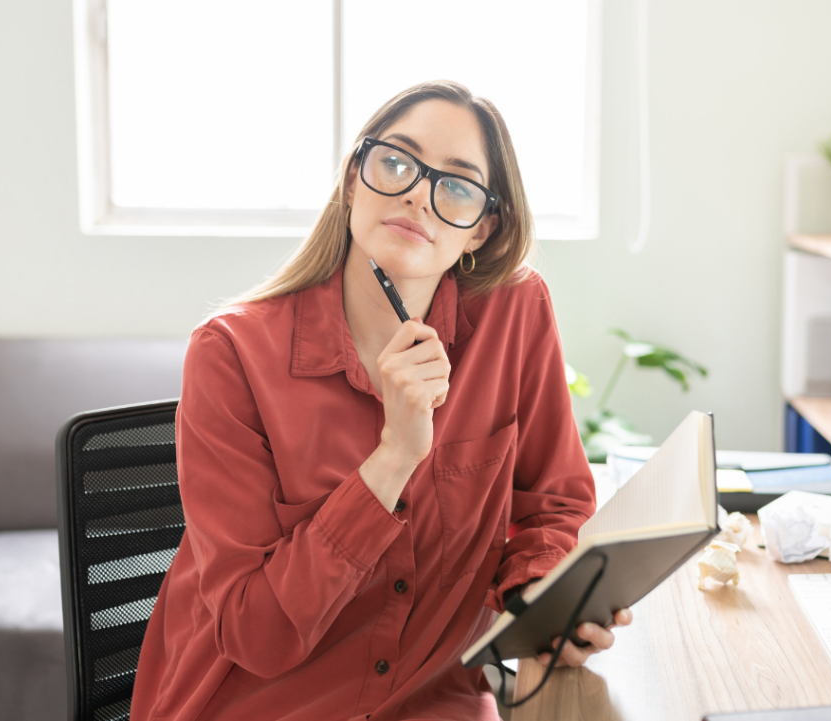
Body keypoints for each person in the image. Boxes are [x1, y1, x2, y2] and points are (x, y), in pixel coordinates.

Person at [130, 80, 632, 721]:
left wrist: (543, 597)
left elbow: (554, 503)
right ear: (352, 182)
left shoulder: (515, 312)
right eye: (395, 162)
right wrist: (394, 456)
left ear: (482, 228)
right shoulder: (231, 353)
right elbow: (257, 633)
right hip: (263, 703)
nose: (418, 195)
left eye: (456, 184)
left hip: (434, 697)